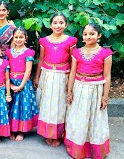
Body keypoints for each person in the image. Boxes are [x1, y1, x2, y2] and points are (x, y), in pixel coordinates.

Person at [65, 23, 112, 158]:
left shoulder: (105, 53)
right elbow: (73, 73)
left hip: (96, 89)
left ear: (99, 36)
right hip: (79, 87)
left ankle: (95, 149)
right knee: (78, 117)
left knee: (95, 118)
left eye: (92, 34)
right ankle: (78, 148)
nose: (88, 36)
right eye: (85, 34)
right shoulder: (77, 52)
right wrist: (69, 92)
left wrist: (105, 97)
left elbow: (107, 76)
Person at [34, 13, 78, 147]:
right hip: (47, 75)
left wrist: (72, 80)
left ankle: (58, 134)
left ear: (66, 25)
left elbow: (73, 61)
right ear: (50, 24)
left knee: (60, 105)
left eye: (61, 23)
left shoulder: (71, 41)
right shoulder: (44, 41)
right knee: (47, 104)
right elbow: (41, 59)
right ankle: (48, 133)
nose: (58, 25)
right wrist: (37, 76)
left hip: (62, 76)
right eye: (55, 23)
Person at [5, 27, 39, 141]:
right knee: (12, 106)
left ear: (25, 38)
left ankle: (21, 131)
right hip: (11, 82)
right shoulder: (8, 52)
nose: (18, 39)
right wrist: (10, 85)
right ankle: (12, 129)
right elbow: (6, 70)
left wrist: (21, 86)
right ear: (13, 39)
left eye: (21, 37)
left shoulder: (29, 52)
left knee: (22, 107)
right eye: (16, 37)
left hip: (23, 84)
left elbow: (28, 71)